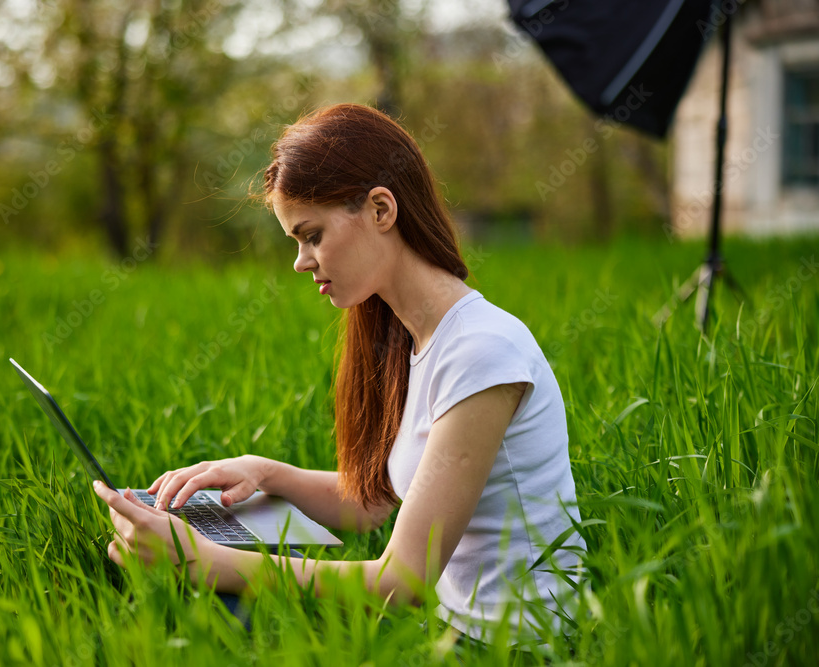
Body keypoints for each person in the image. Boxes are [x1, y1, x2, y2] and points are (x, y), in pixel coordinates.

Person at [92, 103, 587, 647]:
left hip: (511, 649)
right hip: (447, 634)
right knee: (225, 609)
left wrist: (210, 561)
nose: (301, 262)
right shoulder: (410, 337)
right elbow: (371, 504)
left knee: (231, 601)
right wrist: (266, 473)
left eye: (312, 235)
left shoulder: (481, 352)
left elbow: (403, 580)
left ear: (380, 210)